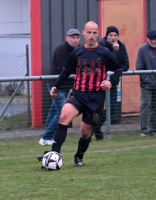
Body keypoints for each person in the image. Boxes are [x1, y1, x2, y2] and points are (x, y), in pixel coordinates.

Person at [37, 21, 123, 167]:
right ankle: (54, 154)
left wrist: (111, 82)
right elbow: (65, 71)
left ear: (98, 34)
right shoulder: (77, 52)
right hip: (78, 94)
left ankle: (79, 157)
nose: (91, 36)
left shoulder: (104, 52)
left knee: (85, 132)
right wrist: (55, 86)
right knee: (64, 116)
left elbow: (119, 69)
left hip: (96, 98)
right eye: (88, 32)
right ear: (84, 33)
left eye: (94, 33)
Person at [39, 29, 81, 145]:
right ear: (67, 38)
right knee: (61, 113)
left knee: (53, 111)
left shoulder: (78, 49)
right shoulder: (61, 49)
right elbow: (66, 68)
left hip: (66, 86)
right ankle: (46, 137)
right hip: (56, 85)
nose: (75, 40)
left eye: (77, 37)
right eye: (73, 37)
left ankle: (47, 136)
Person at [92, 25, 129, 141]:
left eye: (115, 35)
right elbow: (104, 64)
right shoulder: (100, 46)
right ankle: (97, 133)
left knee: (112, 107)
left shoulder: (121, 47)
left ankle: (95, 126)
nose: (113, 38)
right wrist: (114, 51)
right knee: (97, 108)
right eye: (111, 35)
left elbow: (125, 65)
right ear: (106, 36)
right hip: (99, 82)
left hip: (113, 82)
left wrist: (114, 71)